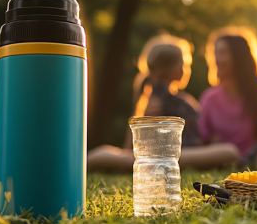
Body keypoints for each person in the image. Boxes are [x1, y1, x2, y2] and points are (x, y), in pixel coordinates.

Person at [87, 34, 239, 173]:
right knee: (230, 152)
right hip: (177, 155)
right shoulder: (168, 102)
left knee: (229, 151)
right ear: (175, 69)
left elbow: (129, 148)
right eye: (184, 64)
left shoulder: (156, 98)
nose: (187, 69)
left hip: (167, 156)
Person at [198, 27, 257, 162]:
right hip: (224, 157)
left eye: (223, 53)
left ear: (239, 57)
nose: (217, 59)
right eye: (215, 53)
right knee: (228, 152)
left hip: (255, 156)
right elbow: (201, 138)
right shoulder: (210, 98)